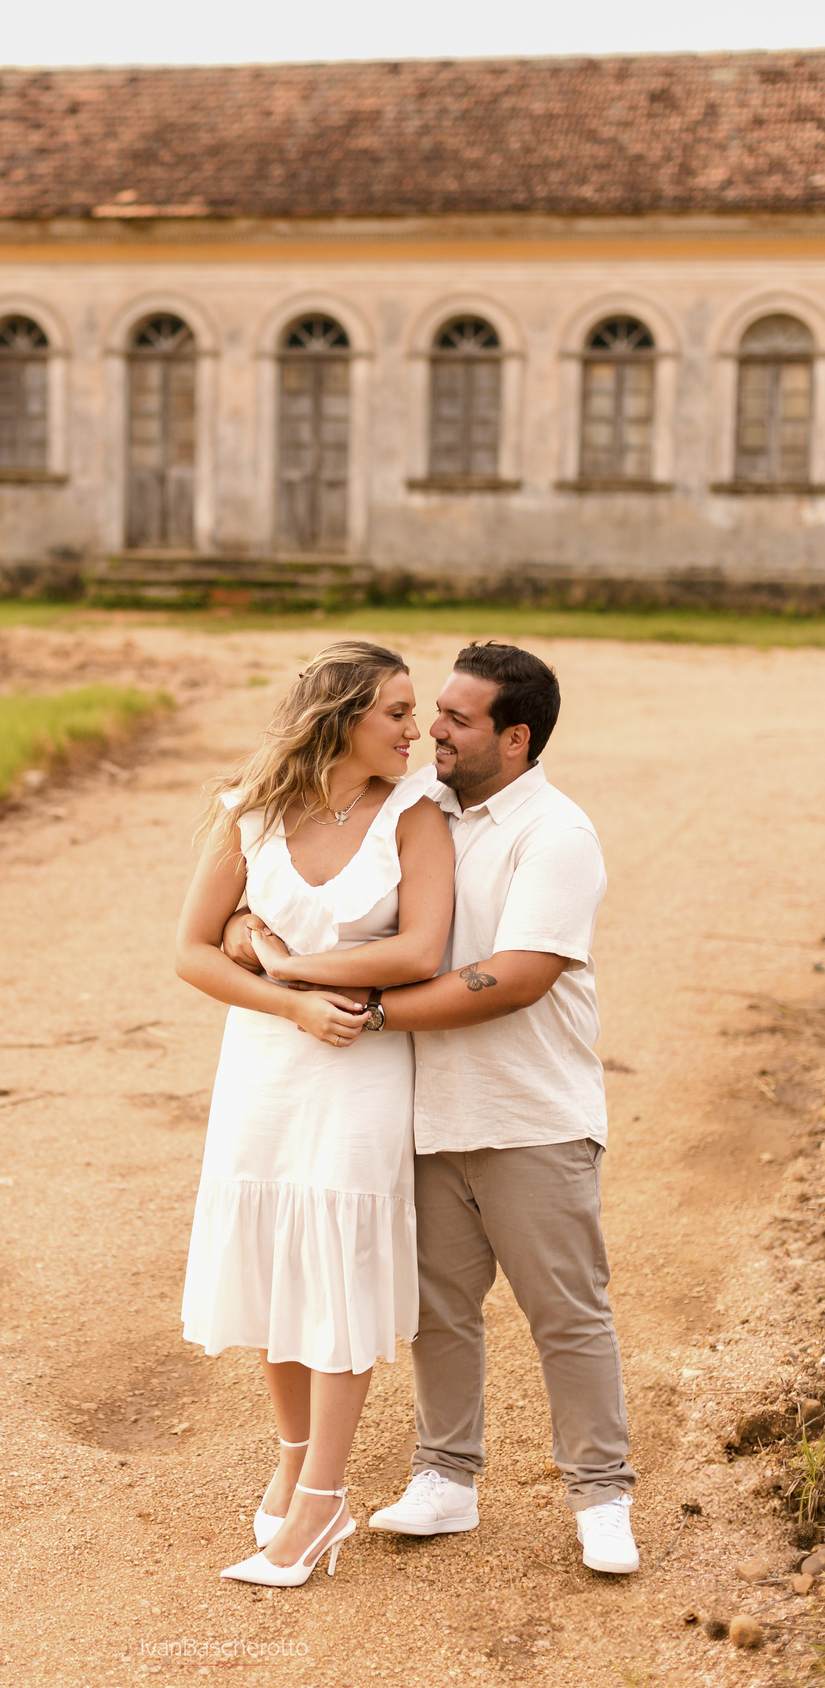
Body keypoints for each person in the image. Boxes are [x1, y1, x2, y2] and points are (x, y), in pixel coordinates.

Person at [225, 641, 638, 1576]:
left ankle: (601, 1496)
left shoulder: (557, 834)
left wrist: (365, 1013)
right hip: (424, 1108)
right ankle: (446, 1477)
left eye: (456, 719)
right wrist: (254, 930)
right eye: (429, 712)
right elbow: (297, 877)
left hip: (530, 1111)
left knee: (565, 1312)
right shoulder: (422, 805)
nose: (432, 732)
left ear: (515, 738)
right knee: (439, 1311)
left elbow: (516, 977)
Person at [175, 640, 454, 1589]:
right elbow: (191, 950)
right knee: (274, 1263)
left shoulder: (415, 814)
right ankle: (295, 1459)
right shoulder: (250, 812)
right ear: (341, 720)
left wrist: (291, 965)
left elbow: (419, 952)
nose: (416, 731)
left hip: (360, 1071)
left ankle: (325, 1499)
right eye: (397, 713)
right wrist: (288, 1004)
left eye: (415, 712)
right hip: (266, 1067)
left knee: (336, 1269)